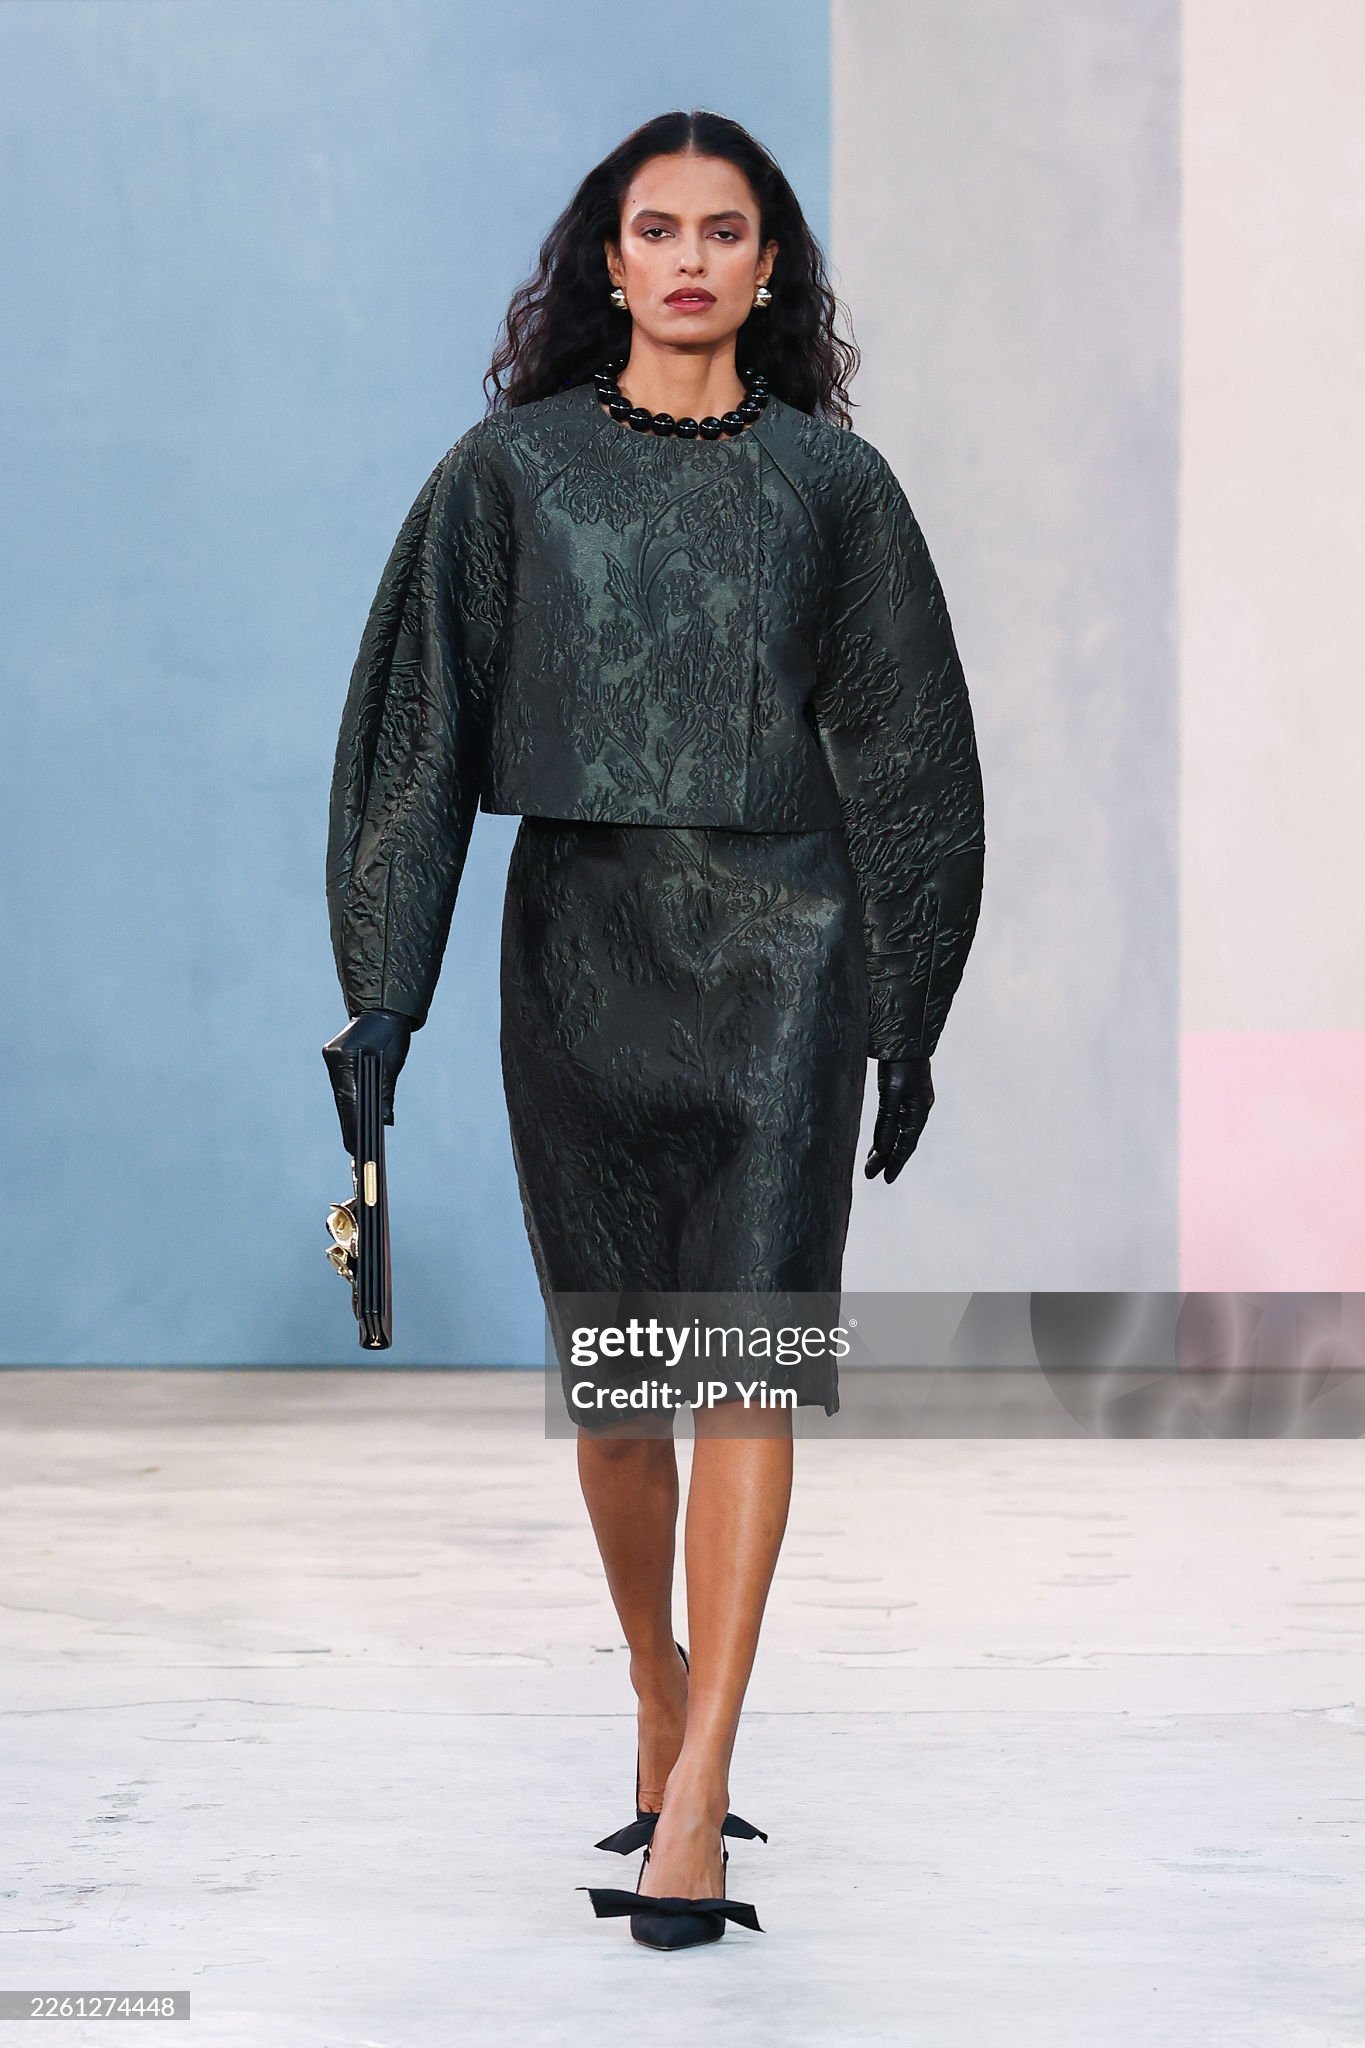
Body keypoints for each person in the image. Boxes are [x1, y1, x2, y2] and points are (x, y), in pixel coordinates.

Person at [322, 108, 985, 1949]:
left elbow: (912, 751)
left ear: (770, 270)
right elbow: (416, 738)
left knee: (746, 1361)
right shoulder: (508, 474)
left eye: (725, 230)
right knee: (621, 1386)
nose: (690, 259)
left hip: (788, 954)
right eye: (655, 228)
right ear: (604, 262)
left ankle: (695, 1801)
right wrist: (384, 993)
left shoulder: (832, 484)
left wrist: (907, 1005)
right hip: (582, 948)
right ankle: (653, 1683)